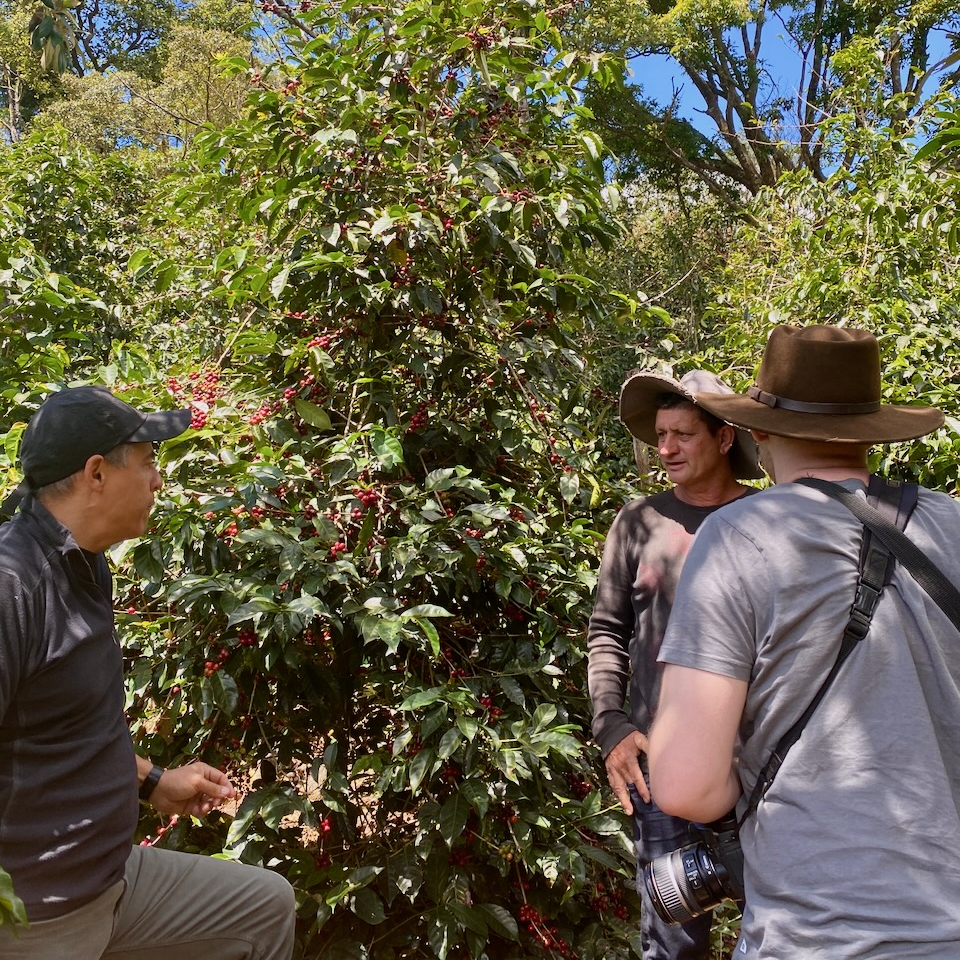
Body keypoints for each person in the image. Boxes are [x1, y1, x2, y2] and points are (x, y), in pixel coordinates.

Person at [648, 324, 960, 959]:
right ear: (871, 428)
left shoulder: (737, 537)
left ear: (757, 429)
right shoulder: (953, 524)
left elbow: (685, 786)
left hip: (816, 933)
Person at [0, 385, 296, 960]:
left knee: (264, 907)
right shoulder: (13, 586)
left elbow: (61, 729)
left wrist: (152, 780)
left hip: (111, 880)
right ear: (96, 473)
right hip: (42, 917)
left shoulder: (83, 562)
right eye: (149, 460)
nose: (158, 480)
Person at [587, 369, 761, 960]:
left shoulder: (771, 519)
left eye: (682, 434)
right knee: (673, 937)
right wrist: (611, 725)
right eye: (660, 435)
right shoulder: (639, 522)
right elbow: (608, 631)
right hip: (661, 768)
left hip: (762, 767)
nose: (665, 449)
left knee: (781, 923)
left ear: (725, 437)